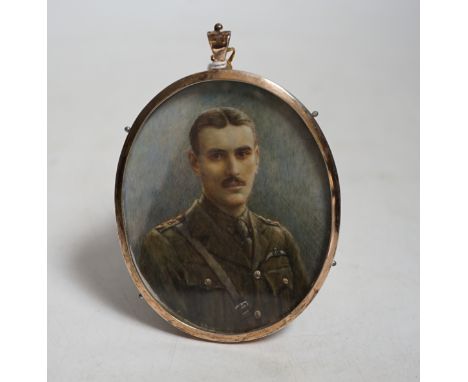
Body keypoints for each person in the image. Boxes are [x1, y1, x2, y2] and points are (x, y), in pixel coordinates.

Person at [138, 107, 309, 333]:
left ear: (257, 158)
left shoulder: (279, 239)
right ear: (195, 162)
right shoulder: (165, 246)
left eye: (243, 154)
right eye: (217, 156)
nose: (233, 170)